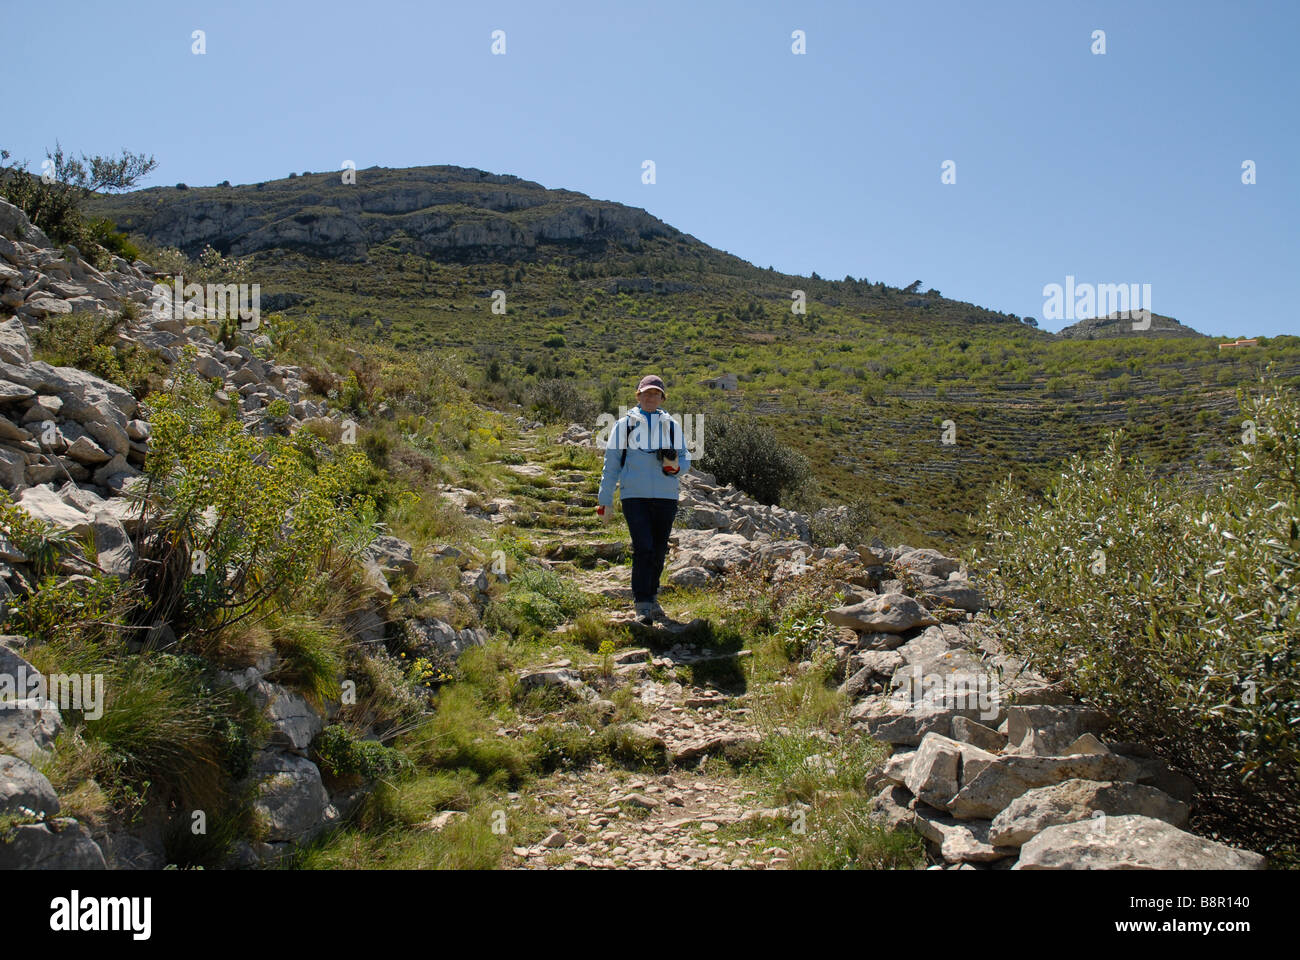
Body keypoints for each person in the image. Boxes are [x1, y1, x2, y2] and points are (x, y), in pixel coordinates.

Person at [595, 375, 691, 624]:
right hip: (634, 495)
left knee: (659, 550)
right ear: (638, 396)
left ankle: (653, 596)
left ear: (662, 398)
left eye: (656, 393)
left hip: (666, 495)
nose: (651, 397)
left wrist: (676, 467)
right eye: (646, 393)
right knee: (643, 547)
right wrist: (605, 500)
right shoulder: (623, 425)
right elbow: (611, 463)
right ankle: (642, 603)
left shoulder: (671, 425)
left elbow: (685, 456)